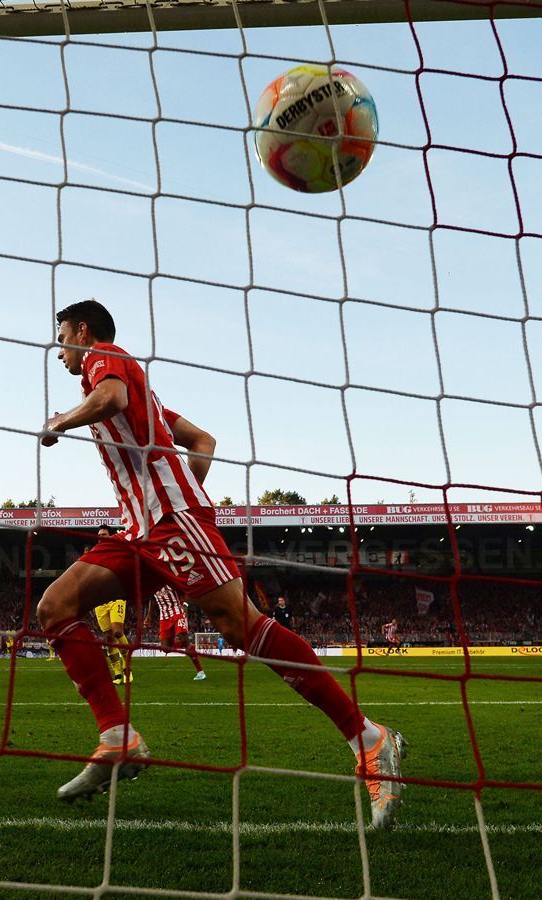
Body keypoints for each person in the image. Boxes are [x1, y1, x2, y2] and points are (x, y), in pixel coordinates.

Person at [36, 299, 405, 827]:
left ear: (83, 330)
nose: (60, 349)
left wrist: (61, 423)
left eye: (61, 335)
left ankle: (371, 740)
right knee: (57, 606)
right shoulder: (143, 393)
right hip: (140, 529)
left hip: (169, 521)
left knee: (240, 625)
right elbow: (201, 440)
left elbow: (111, 397)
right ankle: (118, 737)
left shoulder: (105, 359)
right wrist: (178, 490)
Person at [92, 527, 133, 684]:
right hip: (100, 601)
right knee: (108, 638)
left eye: (104, 535)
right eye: (99, 536)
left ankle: (127, 668)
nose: (102, 537)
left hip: (116, 597)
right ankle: (116, 673)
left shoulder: (118, 551)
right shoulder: (94, 555)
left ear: (111, 536)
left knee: (117, 632)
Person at [152, 584, 205, 680]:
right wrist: (148, 616)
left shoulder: (168, 579)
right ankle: (189, 648)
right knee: (165, 648)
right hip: (164, 616)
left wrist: (185, 605)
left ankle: (200, 671)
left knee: (183, 638)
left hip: (177, 610)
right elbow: (151, 600)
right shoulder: (151, 585)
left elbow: (183, 588)